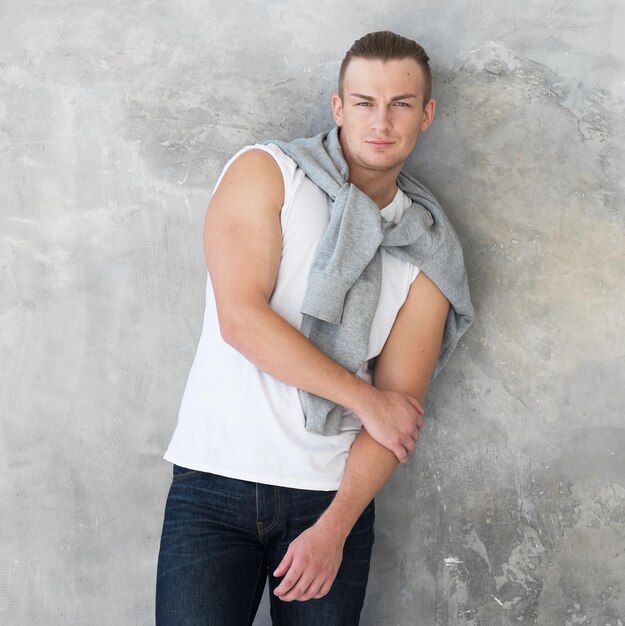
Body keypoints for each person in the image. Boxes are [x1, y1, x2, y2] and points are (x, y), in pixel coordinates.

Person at [156, 30, 473, 626]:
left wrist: (335, 527)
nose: (381, 121)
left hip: (332, 500)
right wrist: (363, 398)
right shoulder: (268, 173)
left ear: (426, 114)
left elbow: (398, 412)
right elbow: (241, 321)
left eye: (401, 104)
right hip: (213, 484)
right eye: (364, 102)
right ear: (338, 107)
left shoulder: (429, 248)